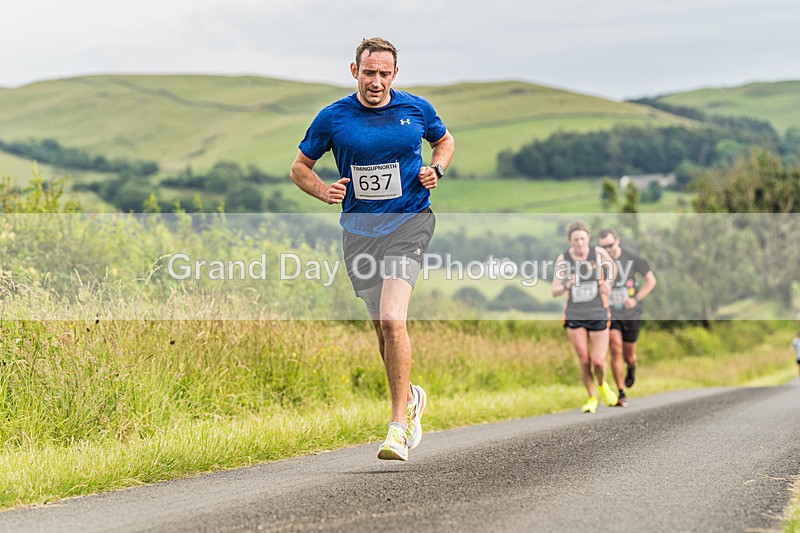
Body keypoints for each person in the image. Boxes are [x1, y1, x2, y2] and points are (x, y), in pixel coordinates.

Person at [290, 37, 455, 461]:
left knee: (392, 318)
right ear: (354, 71)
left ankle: (398, 427)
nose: (376, 81)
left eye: (384, 74)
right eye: (369, 73)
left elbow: (445, 141)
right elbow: (299, 168)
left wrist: (436, 168)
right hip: (360, 232)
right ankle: (413, 395)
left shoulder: (416, 109)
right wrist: (324, 191)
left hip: (410, 222)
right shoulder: (333, 117)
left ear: (394, 75)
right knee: (381, 327)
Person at [551, 221, 618, 413]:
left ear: (588, 238)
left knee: (598, 360)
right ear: (569, 241)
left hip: (598, 311)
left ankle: (602, 383)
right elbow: (554, 290)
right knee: (584, 359)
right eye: (575, 240)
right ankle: (591, 398)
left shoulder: (597, 253)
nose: (579, 243)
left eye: (582, 239)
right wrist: (566, 285)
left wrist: (609, 283)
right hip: (575, 314)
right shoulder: (563, 259)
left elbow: (612, 268)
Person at [597, 228, 657, 407]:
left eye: (610, 245)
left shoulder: (634, 259)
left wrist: (636, 299)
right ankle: (621, 391)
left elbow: (651, 281)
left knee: (628, 355)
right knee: (615, 348)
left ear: (618, 240)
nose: (607, 250)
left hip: (631, 313)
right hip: (611, 312)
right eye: (603, 247)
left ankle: (631, 367)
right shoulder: (599, 263)